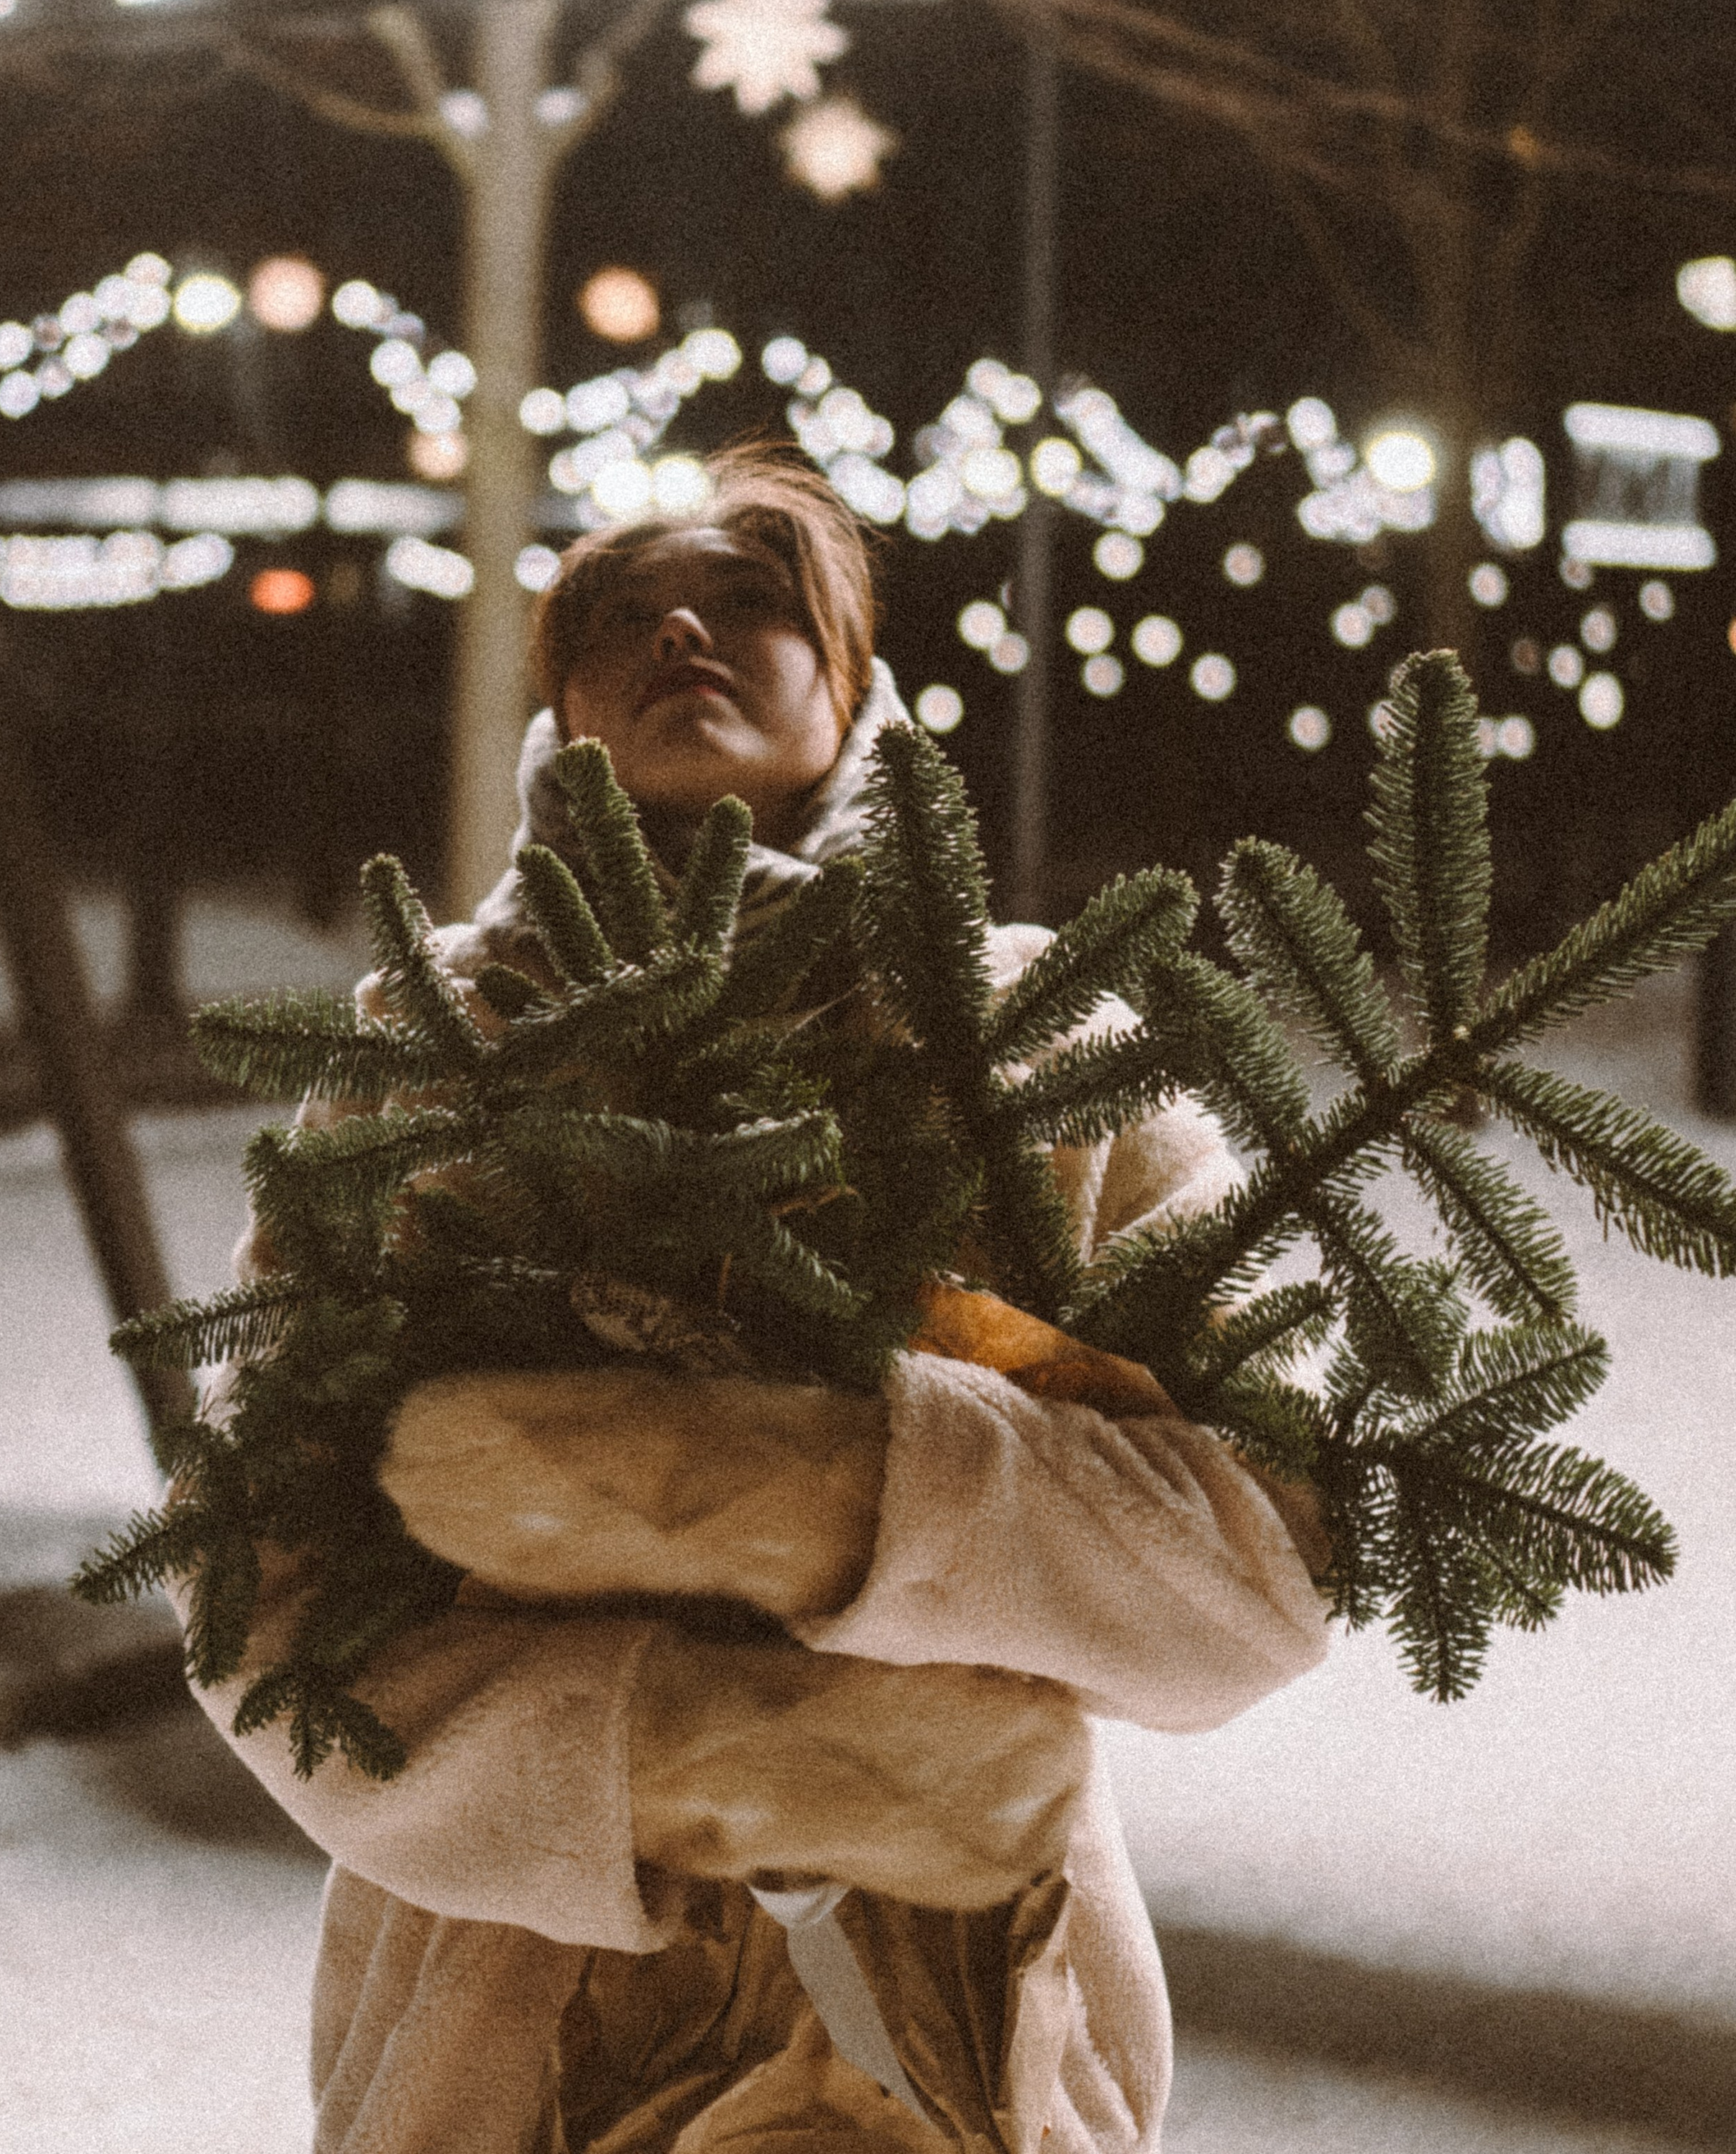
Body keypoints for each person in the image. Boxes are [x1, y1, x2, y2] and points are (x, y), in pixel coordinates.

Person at [189, 442, 1330, 2153]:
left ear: (848, 672)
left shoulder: (1044, 1044)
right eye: (618, 617)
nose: (681, 635)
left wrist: (822, 1493)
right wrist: (683, 1753)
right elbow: (253, 1586)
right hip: (509, 2041)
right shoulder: (432, 1067)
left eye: (746, 598)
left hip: (963, 2028)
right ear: (561, 709)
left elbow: (1274, 1539)